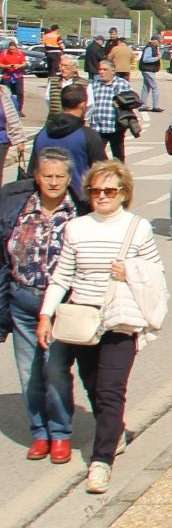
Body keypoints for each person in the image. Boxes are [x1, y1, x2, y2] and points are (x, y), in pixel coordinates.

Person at [37, 160, 166, 495]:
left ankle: (101, 461)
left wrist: (131, 271)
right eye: (96, 191)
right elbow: (62, 275)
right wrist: (46, 315)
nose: (102, 197)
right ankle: (115, 430)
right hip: (82, 317)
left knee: (111, 389)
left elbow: (156, 273)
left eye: (110, 191)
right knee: (92, 384)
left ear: (124, 193)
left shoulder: (137, 227)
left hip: (121, 318)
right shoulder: (77, 228)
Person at [1, 151, 77, 463]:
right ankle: (40, 433)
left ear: (69, 179)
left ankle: (60, 433)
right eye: (48, 176)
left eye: (60, 176)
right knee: (28, 371)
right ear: (37, 177)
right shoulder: (20, 208)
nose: (54, 182)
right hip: (21, 299)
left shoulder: (78, 212)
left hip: (59, 305)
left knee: (55, 369)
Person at [31, 85, 105, 204]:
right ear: (83, 105)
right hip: (79, 202)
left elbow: (33, 171)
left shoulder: (42, 134)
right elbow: (102, 173)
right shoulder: (88, 135)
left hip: (45, 201)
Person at [87, 61, 135, 163]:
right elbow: (90, 104)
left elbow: (132, 101)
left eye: (105, 69)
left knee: (118, 158)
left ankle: (120, 176)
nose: (101, 72)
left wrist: (122, 104)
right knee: (96, 158)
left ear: (113, 71)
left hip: (116, 127)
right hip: (98, 127)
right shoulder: (95, 85)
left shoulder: (122, 84)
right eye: (100, 69)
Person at [136, 35, 164, 111]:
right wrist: (157, 58)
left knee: (146, 87)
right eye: (159, 41)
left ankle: (143, 105)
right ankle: (156, 106)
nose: (159, 43)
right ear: (154, 40)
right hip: (148, 70)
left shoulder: (152, 47)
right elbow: (145, 59)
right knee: (155, 87)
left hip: (147, 69)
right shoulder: (149, 48)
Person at [0, 35, 26, 110]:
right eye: (10, 49)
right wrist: (7, 66)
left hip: (18, 76)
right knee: (7, 93)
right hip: (7, 76)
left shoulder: (20, 53)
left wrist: (19, 65)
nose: (12, 51)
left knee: (19, 93)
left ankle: (19, 109)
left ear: (16, 48)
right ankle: (7, 109)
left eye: (13, 49)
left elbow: (24, 63)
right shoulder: (4, 53)